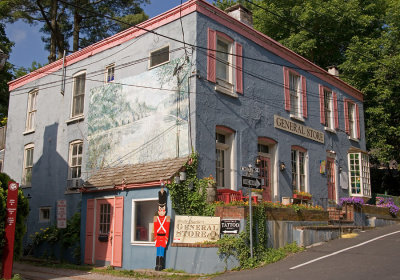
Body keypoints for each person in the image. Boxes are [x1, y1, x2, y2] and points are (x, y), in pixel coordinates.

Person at [153, 186, 170, 271]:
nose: (162, 211)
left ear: (165, 210)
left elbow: (167, 230)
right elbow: (155, 229)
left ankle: (161, 266)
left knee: (162, 252)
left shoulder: (167, 219)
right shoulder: (156, 218)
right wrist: (155, 238)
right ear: (158, 210)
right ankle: (157, 265)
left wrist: (166, 238)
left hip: (163, 237)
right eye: (160, 209)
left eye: (163, 209)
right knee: (158, 251)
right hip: (158, 237)